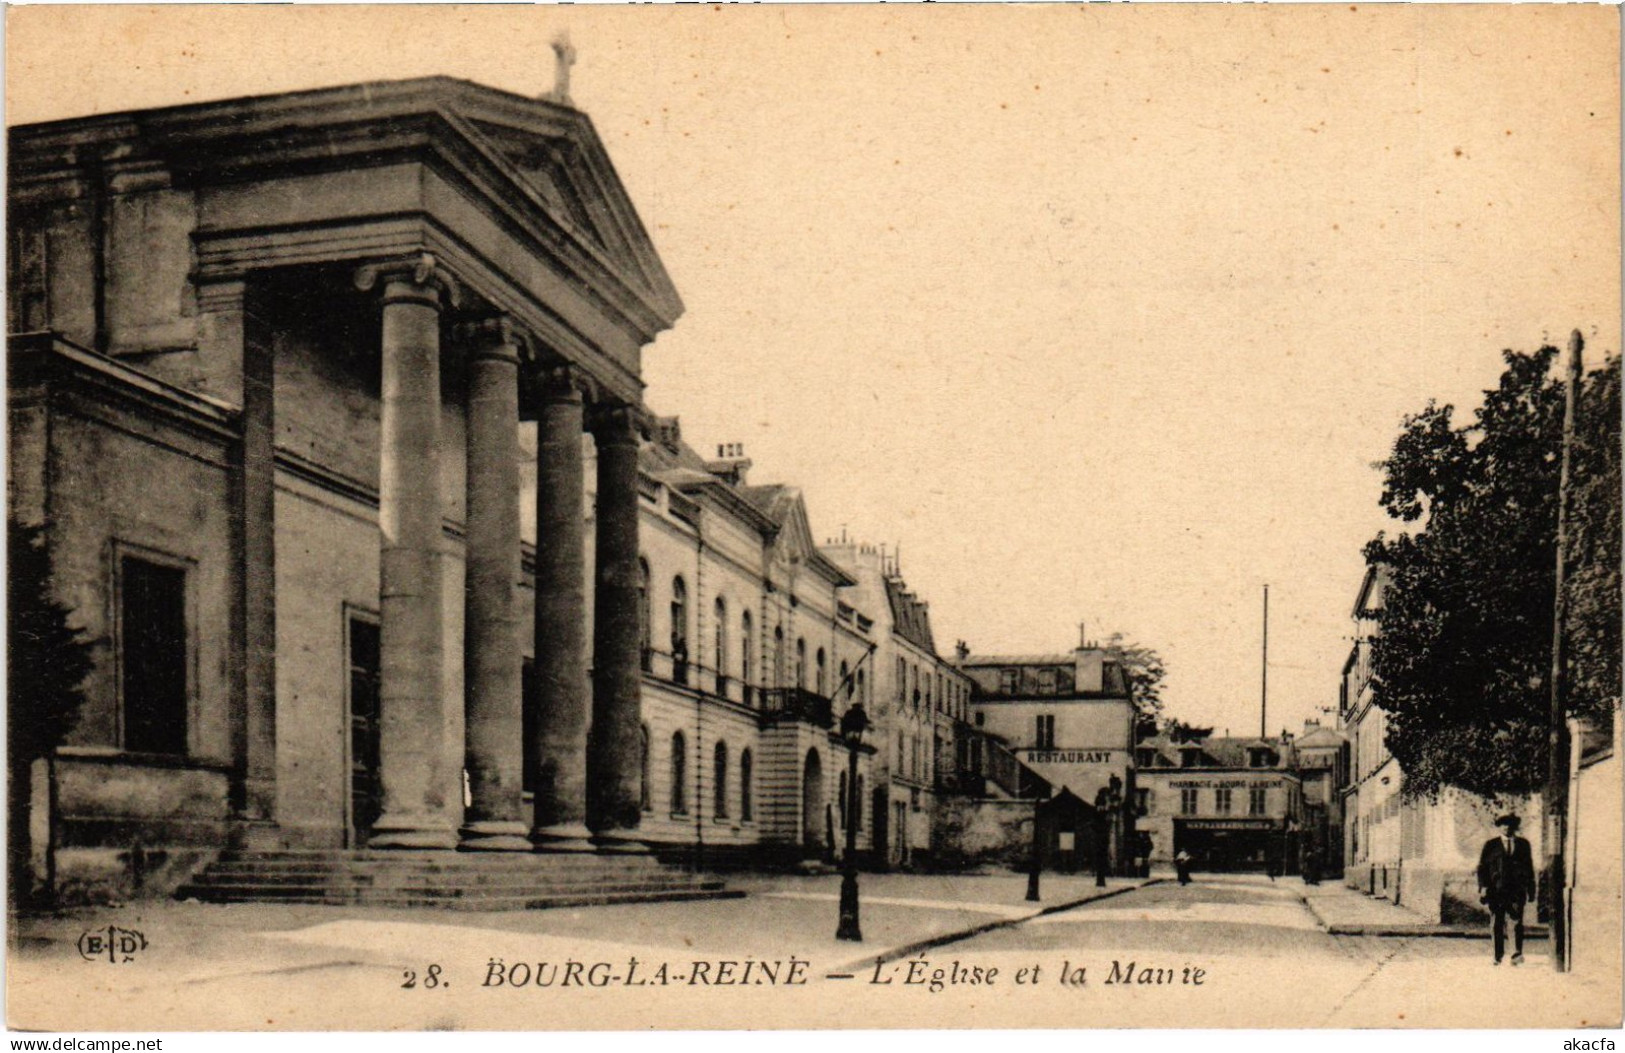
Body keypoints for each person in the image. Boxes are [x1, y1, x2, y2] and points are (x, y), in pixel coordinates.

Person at [1477, 813, 1536, 966]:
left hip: (1516, 890)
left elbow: (1529, 868)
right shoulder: (1491, 845)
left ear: (1514, 827)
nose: (1507, 827)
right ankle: (1497, 955)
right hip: (1496, 890)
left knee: (1516, 921)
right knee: (1497, 922)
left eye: (1510, 824)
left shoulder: (1523, 845)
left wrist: (1531, 889)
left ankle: (1516, 954)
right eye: (1504, 824)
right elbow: (1482, 868)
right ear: (1500, 826)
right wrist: (1483, 887)